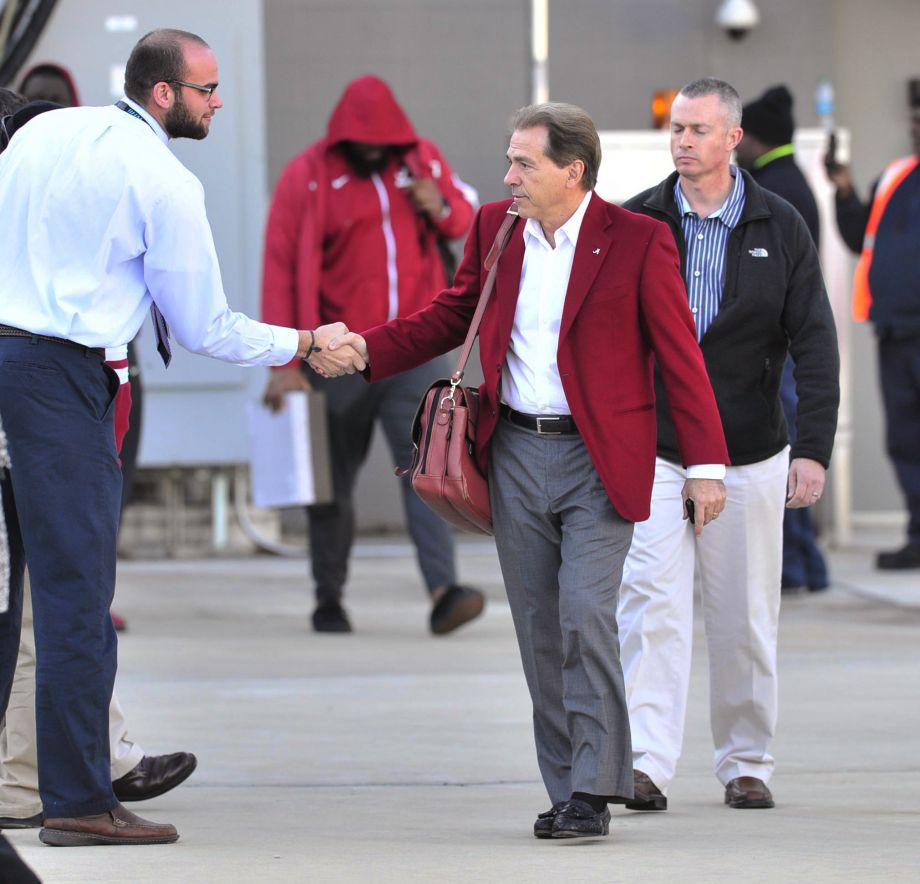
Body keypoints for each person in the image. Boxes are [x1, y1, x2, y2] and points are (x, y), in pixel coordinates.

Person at [326, 102, 729, 839]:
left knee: (584, 614)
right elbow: (453, 314)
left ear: (572, 171)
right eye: (510, 161)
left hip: (601, 457)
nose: (507, 176)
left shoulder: (639, 241)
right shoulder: (495, 229)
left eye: (524, 164)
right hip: (513, 453)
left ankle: (599, 781)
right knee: (540, 628)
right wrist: (366, 349)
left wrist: (706, 466)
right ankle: (570, 789)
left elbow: (679, 354)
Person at [0, 28, 360, 847]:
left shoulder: (47, 130)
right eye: (208, 89)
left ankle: (43, 785)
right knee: (74, 598)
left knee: (12, 593)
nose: (218, 102)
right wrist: (303, 343)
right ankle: (79, 803)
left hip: (5, 357)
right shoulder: (162, 178)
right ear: (164, 94)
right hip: (61, 378)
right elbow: (207, 326)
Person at [618, 78, 839, 813]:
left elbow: (815, 341)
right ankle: (645, 762)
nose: (683, 142)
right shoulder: (639, 220)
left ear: (732, 138)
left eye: (698, 130)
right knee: (651, 605)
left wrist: (812, 448)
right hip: (659, 447)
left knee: (744, 616)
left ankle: (747, 761)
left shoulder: (781, 224)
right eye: (677, 129)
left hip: (750, 449)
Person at [260, 75, 484, 635]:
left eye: (382, 146)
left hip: (412, 352)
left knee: (429, 471)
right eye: (363, 147)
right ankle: (329, 596)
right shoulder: (308, 177)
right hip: (334, 354)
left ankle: (443, 591)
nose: (373, 155)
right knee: (330, 481)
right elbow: (280, 268)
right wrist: (284, 364)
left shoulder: (420, 161)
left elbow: (469, 219)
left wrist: (440, 205)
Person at [736, 84, 829, 593]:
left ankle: (793, 568)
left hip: (780, 350)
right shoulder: (792, 179)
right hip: (787, 347)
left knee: (779, 459)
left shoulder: (774, 190)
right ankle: (808, 567)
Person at [826, 79, 920, 570]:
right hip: (894, 333)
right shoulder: (896, 176)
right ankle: (918, 533)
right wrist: (844, 192)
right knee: (904, 438)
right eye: (914, 122)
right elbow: (863, 236)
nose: (916, 128)